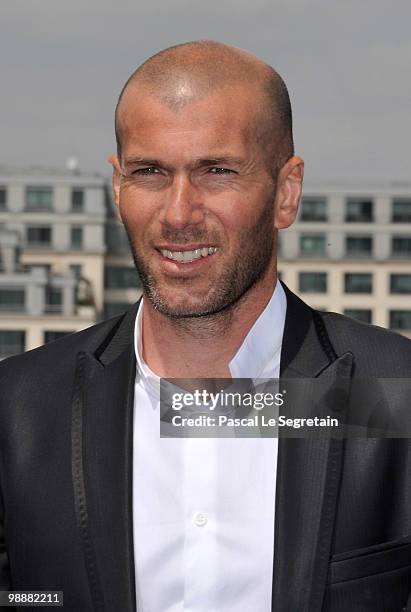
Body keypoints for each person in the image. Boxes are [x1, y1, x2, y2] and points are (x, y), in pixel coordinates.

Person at [0, 41, 410, 612]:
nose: (178, 214)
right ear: (117, 186)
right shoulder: (17, 408)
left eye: (216, 171)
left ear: (286, 193)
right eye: (150, 172)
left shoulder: (394, 394)